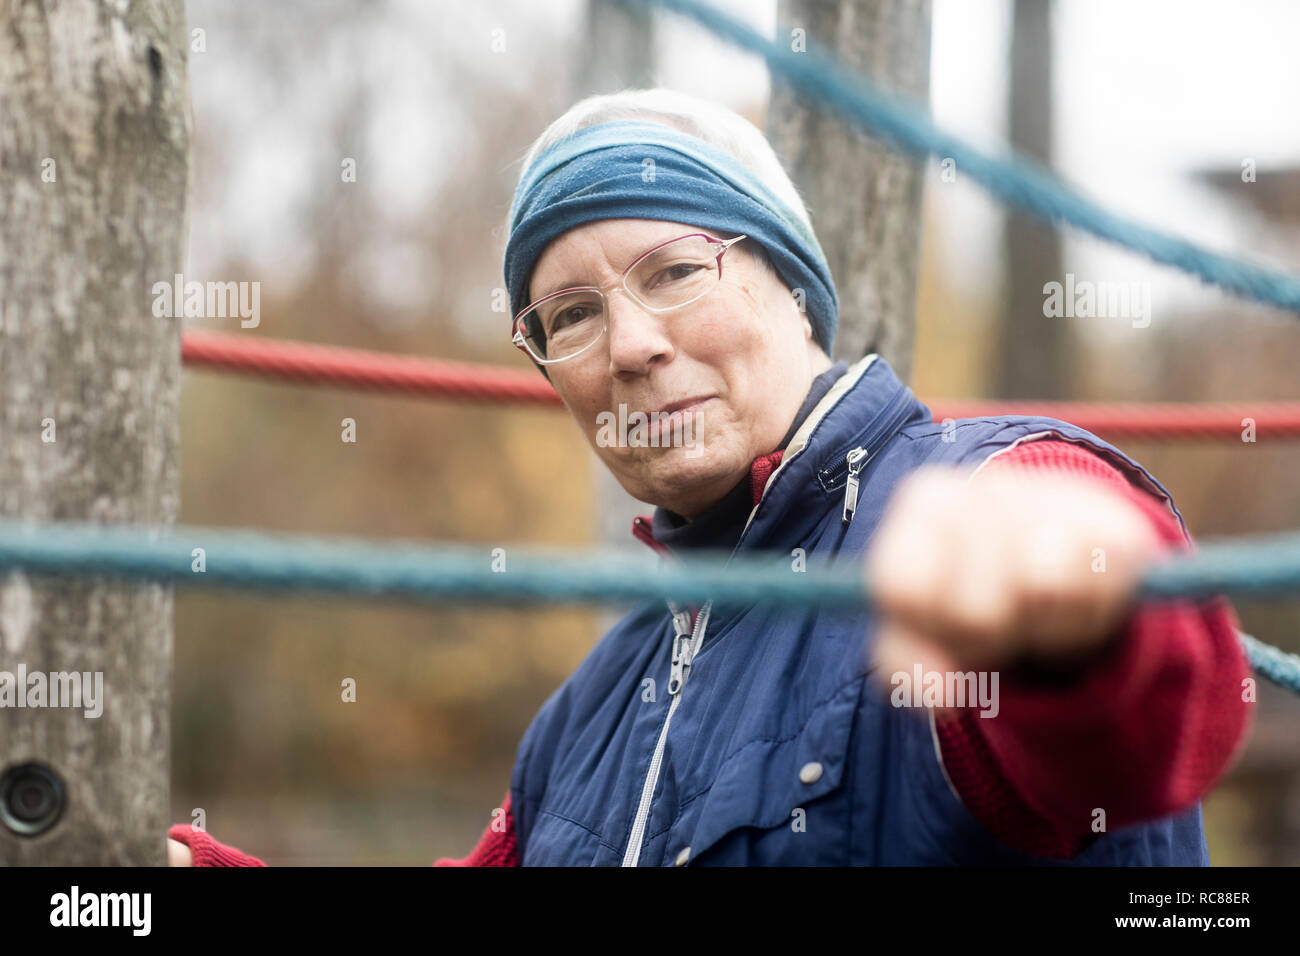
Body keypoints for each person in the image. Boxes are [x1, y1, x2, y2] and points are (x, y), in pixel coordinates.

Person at [167, 88, 1251, 867]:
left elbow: (1142, 718)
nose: (630, 344)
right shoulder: (591, 701)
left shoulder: (989, 482)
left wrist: (1064, 603)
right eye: (573, 315)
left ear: (793, 288)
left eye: (676, 271)